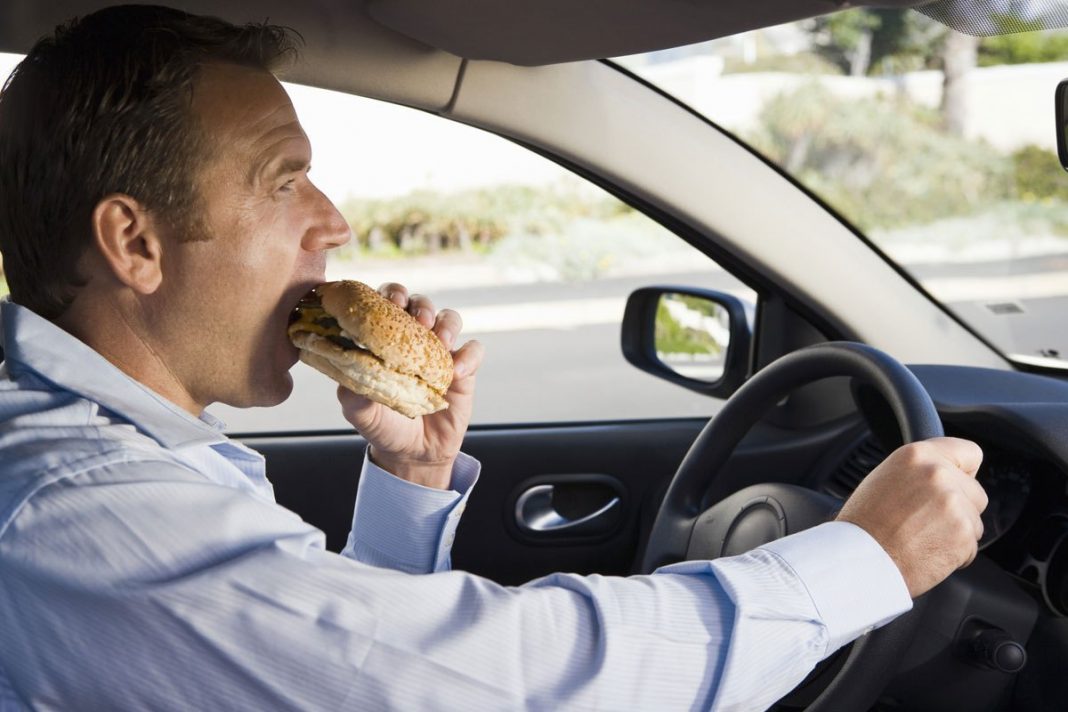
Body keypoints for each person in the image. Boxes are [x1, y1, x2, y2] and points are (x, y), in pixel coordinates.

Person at [0, 5, 988, 710]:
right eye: (282, 180)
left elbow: (331, 662)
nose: (333, 221)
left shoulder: (117, 457)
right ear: (134, 243)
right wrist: (860, 562)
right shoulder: (85, 508)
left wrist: (410, 472)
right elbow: (486, 680)